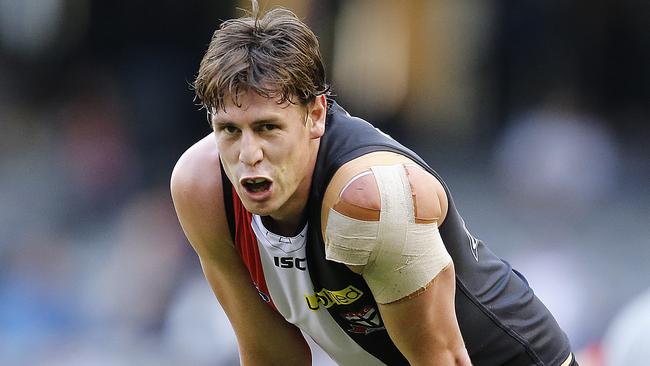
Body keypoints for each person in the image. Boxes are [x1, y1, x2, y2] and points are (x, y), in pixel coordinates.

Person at [171, 2, 576, 365]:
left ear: (315, 115)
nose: (248, 154)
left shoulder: (369, 199)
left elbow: (443, 359)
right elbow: (271, 354)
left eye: (267, 127)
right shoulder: (201, 189)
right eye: (228, 130)